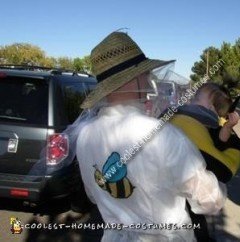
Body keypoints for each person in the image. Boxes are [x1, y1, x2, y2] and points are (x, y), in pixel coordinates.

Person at [72, 32, 227, 242]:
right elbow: (211, 201)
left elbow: (94, 194)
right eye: (145, 73)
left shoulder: (84, 136)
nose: (150, 79)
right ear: (134, 78)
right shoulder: (164, 135)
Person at [169, 82, 240, 241]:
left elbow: (215, 141)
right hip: (182, 204)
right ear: (211, 108)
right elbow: (224, 169)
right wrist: (235, 145)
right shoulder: (189, 125)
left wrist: (227, 127)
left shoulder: (175, 116)